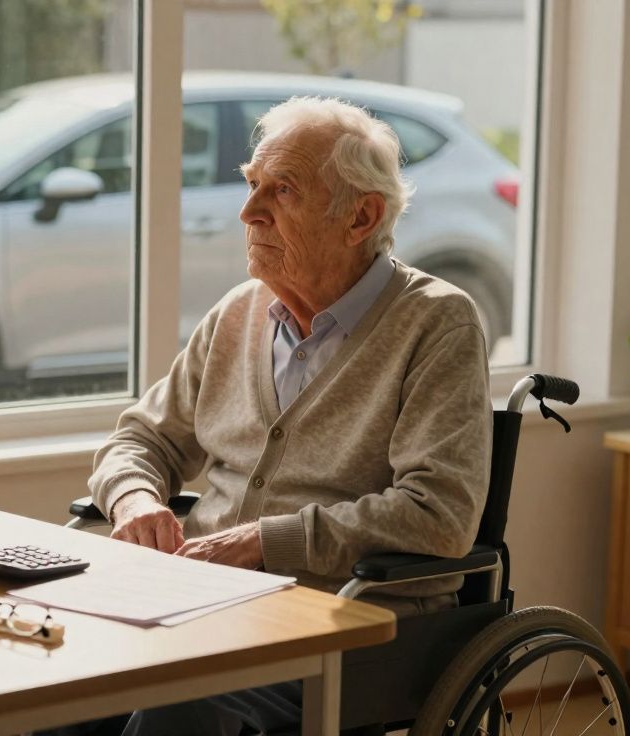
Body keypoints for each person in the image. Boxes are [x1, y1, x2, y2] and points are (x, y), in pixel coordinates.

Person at [82, 96, 493, 735]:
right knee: (58, 684)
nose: (248, 212)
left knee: (177, 714)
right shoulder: (239, 313)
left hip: (344, 632)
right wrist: (135, 501)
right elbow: (140, 438)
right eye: (252, 185)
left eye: (282, 192)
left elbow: (438, 516)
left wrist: (259, 542)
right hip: (205, 610)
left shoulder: (437, 323)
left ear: (361, 216)